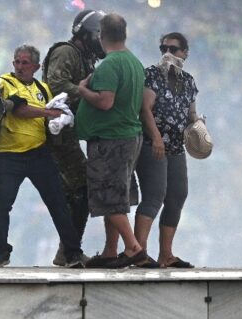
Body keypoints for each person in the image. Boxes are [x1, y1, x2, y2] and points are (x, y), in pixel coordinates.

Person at [75, 13, 163, 268]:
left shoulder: (109, 64)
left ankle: (133, 248)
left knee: (108, 196)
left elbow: (105, 101)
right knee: (116, 195)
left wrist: (82, 90)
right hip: (128, 136)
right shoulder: (134, 62)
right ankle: (110, 250)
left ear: (100, 36)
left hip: (110, 139)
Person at [0, 44, 85, 268]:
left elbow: (56, 111)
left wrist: (60, 119)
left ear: (36, 66)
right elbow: (19, 110)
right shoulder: (4, 83)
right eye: (17, 62)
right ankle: (1, 253)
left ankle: (73, 253)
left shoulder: (43, 88)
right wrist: (48, 113)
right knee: (1, 204)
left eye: (25, 63)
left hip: (39, 153)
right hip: (10, 154)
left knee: (58, 203)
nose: (20, 67)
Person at [41, 9, 105, 267]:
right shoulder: (66, 52)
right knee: (81, 188)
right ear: (87, 34)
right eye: (99, 34)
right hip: (58, 133)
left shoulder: (84, 57)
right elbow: (55, 86)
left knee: (78, 192)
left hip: (68, 133)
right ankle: (69, 251)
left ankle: (68, 250)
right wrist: (85, 90)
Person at [134, 32, 199, 268]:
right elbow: (145, 108)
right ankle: (138, 252)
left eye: (173, 49)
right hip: (154, 145)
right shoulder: (152, 75)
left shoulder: (189, 81)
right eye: (164, 49)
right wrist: (156, 137)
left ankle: (166, 254)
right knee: (154, 195)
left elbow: (191, 114)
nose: (168, 53)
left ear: (185, 53)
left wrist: (198, 128)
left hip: (176, 146)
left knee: (177, 195)